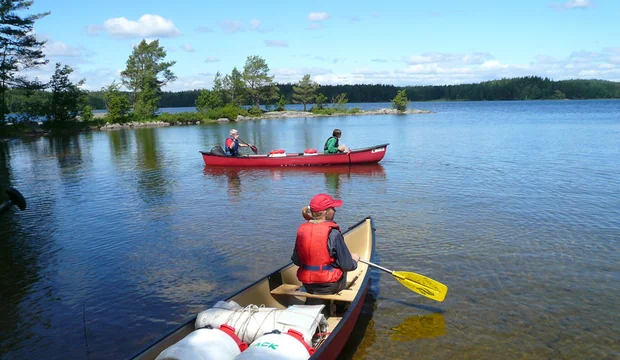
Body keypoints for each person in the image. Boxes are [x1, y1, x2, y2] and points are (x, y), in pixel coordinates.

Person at [291, 194, 360, 310]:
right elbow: (347, 265)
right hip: (329, 286)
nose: (335, 210)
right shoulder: (333, 234)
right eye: (332, 208)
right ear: (325, 212)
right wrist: (354, 260)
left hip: (307, 284)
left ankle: (314, 303)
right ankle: (340, 307)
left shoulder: (302, 231)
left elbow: (296, 260)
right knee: (344, 268)